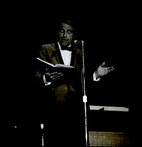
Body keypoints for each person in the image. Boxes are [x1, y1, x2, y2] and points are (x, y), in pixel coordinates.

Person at [34, 18, 114, 146]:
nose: (65, 35)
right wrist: (46, 78)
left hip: (75, 112)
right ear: (57, 33)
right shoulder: (46, 49)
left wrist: (96, 74)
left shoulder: (79, 52)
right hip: (53, 109)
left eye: (69, 32)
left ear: (74, 35)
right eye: (62, 31)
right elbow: (34, 76)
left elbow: (82, 83)